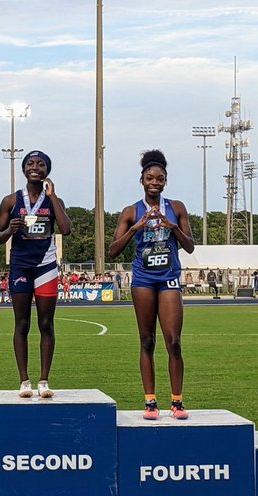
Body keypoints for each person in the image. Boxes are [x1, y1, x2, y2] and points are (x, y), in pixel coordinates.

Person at [108, 149, 196, 420]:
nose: (155, 182)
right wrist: (136, 227)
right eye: (150, 178)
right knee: (147, 340)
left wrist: (173, 227)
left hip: (168, 277)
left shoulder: (177, 207)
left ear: (165, 181)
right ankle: (150, 402)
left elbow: (190, 247)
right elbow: (112, 250)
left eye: (160, 178)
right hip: (144, 279)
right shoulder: (130, 211)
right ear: (142, 180)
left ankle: (177, 401)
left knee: (174, 341)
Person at [0, 150, 72, 398]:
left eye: (40, 164)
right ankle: (24, 381)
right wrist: (9, 230)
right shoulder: (10, 200)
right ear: (23, 169)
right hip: (20, 265)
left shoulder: (53, 200)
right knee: (22, 323)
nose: (35, 167)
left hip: (46, 265)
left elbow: (67, 229)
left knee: (46, 324)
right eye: (30, 163)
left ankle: (44, 381)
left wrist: (54, 196)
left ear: (47, 170)